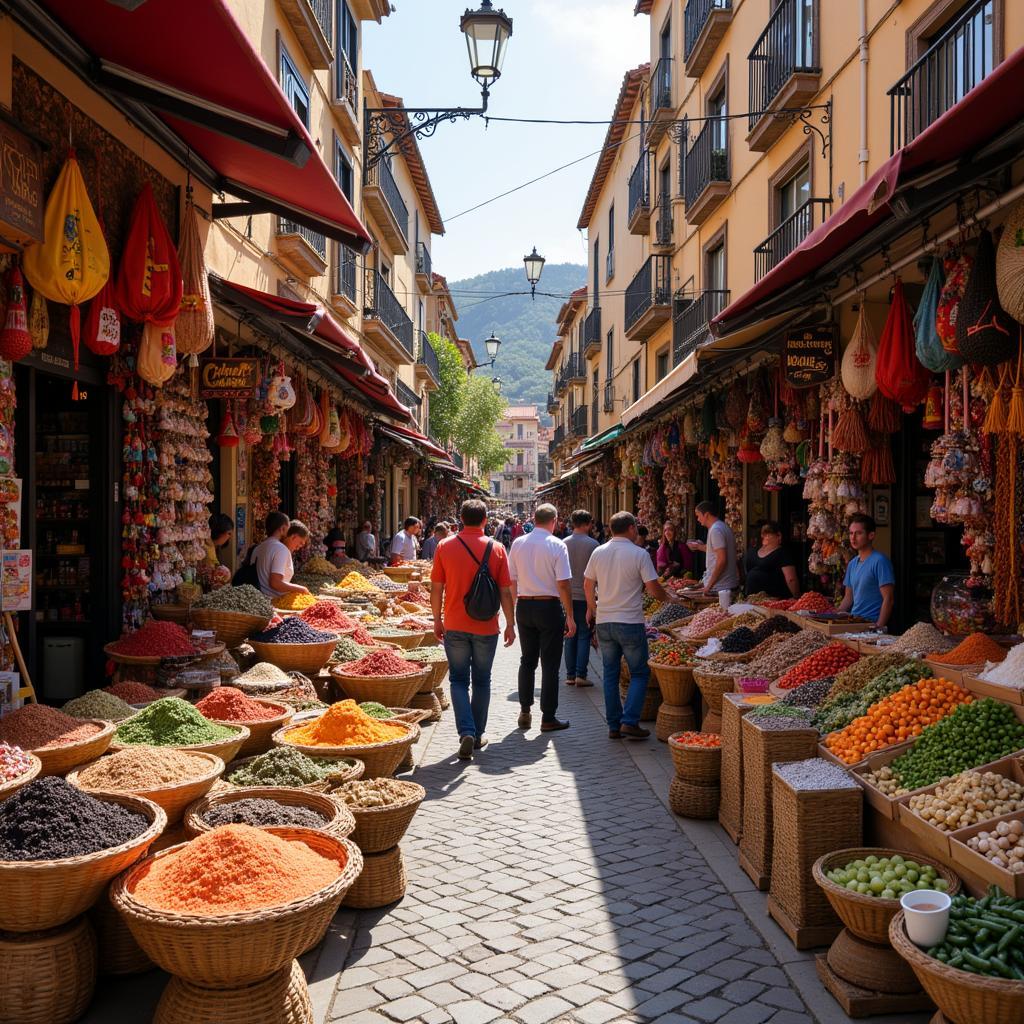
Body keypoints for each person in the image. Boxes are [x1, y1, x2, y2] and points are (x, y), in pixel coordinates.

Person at [431, 499, 515, 760]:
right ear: (485, 520)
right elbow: (505, 590)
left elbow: (436, 588)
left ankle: (465, 731)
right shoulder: (498, 549)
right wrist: (510, 623)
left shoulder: (444, 546)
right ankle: (477, 735)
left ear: (460, 519)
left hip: (454, 623)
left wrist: (436, 619)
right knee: (482, 680)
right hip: (486, 626)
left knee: (457, 680)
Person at [585, 511, 672, 740]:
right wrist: (670, 599)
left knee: (610, 674)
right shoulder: (639, 554)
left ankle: (614, 725)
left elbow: (587, 583)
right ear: (631, 528)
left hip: (605, 621)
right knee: (640, 673)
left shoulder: (598, 551)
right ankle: (630, 721)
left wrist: (593, 609)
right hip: (630, 622)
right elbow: (653, 588)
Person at [508, 503, 576, 732]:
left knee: (527, 661)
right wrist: (570, 616)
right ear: (554, 520)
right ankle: (548, 717)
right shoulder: (557, 545)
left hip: (525, 606)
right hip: (549, 607)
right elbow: (564, 584)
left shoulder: (518, 543)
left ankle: (525, 710)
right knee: (550, 665)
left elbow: (511, 581)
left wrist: (513, 610)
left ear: (534, 519)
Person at [838, 514, 895, 628]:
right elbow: (849, 598)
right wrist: (834, 615)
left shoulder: (880, 561)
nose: (853, 538)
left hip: (871, 624)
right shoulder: (852, 563)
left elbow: (889, 599)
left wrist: (879, 626)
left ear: (871, 535)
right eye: (851, 533)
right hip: (853, 623)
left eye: (858, 533)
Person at [563, 509, 599, 688]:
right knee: (584, 634)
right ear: (587, 524)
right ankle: (580, 675)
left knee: (570, 634)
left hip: (567, 596)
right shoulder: (593, 545)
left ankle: (570, 675)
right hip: (585, 597)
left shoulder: (563, 543)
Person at [688, 501, 740, 599]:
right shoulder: (723, 527)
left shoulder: (715, 530)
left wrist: (709, 586)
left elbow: (722, 560)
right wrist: (699, 546)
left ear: (706, 514)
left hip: (721, 588)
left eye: (698, 515)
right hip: (725, 586)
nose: (698, 519)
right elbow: (715, 550)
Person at [253, 515, 311, 598]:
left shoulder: (259, 547)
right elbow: (275, 583)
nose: (301, 546)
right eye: (301, 542)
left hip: (259, 599)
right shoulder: (281, 550)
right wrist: (301, 589)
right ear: (293, 536)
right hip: (271, 601)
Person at [744, 521, 800, 598]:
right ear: (779, 535)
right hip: (769, 600)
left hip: (756, 600)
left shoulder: (751, 551)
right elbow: (791, 579)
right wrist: (797, 597)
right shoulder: (782, 553)